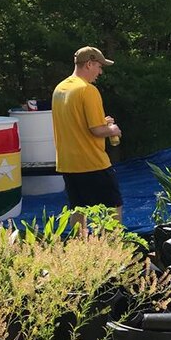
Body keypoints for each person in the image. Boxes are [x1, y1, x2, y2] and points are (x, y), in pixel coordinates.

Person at [52, 46, 123, 229]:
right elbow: (97, 130)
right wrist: (112, 129)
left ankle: (79, 244)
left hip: (68, 163)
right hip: (92, 162)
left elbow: (75, 123)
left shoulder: (60, 88)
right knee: (113, 207)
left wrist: (102, 122)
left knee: (78, 209)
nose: (100, 72)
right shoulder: (88, 90)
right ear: (89, 64)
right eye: (99, 66)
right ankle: (113, 244)